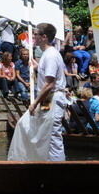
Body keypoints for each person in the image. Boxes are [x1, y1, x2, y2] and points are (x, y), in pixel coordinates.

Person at [29, 22, 70, 161]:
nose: (33, 36)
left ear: (44, 37)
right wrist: (37, 67)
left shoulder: (51, 55)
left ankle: (57, 169)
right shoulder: (47, 54)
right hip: (48, 98)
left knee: (53, 136)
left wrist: (34, 103)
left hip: (52, 97)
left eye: (35, 34)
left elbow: (50, 84)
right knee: (46, 134)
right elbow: (47, 75)